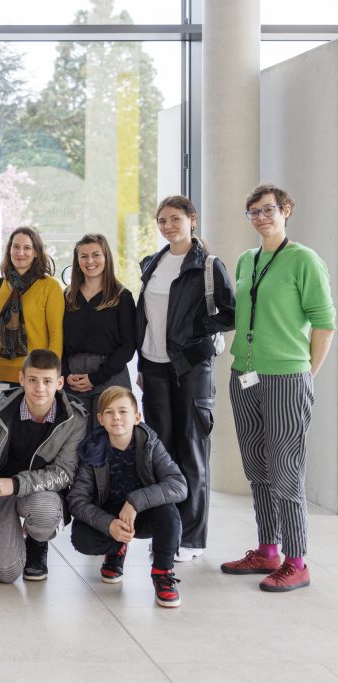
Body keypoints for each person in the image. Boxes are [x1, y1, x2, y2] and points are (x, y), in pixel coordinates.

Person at [221, 183, 335, 593]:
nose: (261, 217)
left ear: (286, 211)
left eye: (269, 210)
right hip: (245, 376)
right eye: (253, 212)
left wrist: (306, 373)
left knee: (286, 470)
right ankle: (268, 549)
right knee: (257, 467)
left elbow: (324, 322)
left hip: (287, 376)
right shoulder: (247, 260)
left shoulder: (304, 260)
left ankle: (298, 561)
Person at [136, 195, 235, 562]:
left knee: (192, 450)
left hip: (192, 368)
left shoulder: (208, 264)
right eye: (162, 220)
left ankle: (189, 538)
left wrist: (192, 332)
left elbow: (230, 314)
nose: (168, 226)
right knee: (160, 452)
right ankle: (166, 531)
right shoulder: (152, 264)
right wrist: (143, 365)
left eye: (175, 219)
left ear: (192, 220)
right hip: (154, 366)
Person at [0, 349, 86, 584]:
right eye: (32, 380)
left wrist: (17, 484)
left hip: (38, 493)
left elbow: (63, 473)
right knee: (6, 573)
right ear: (21, 379)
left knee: (45, 512)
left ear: (59, 383)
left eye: (47, 381)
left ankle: (37, 545)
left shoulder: (74, 420)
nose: (40, 388)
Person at [68, 387, 187, 608]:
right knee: (81, 536)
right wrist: (108, 524)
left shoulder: (150, 444)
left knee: (168, 513)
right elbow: (77, 500)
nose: (116, 418)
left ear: (137, 417)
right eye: (110, 412)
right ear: (100, 419)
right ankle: (116, 549)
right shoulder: (92, 450)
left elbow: (178, 485)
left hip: (142, 514)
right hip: (110, 514)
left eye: (123, 411)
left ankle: (163, 574)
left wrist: (135, 501)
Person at [62, 233, 136, 428]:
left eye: (96, 255)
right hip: (73, 377)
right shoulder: (67, 296)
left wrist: (96, 377)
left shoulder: (122, 296)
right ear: (77, 261)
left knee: (108, 439)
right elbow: (57, 339)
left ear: (106, 258)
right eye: (83, 256)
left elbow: (128, 345)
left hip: (111, 374)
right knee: (73, 440)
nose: (90, 261)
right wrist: (65, 372)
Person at [0, 226, 64, 388]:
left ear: (36, 252)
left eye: (27, 248)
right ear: (9, 250)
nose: (20, 252)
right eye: (16, 247)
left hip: (37, 375)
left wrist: (50, 375)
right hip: (0, 376)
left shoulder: (50, 287)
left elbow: (56, 336)